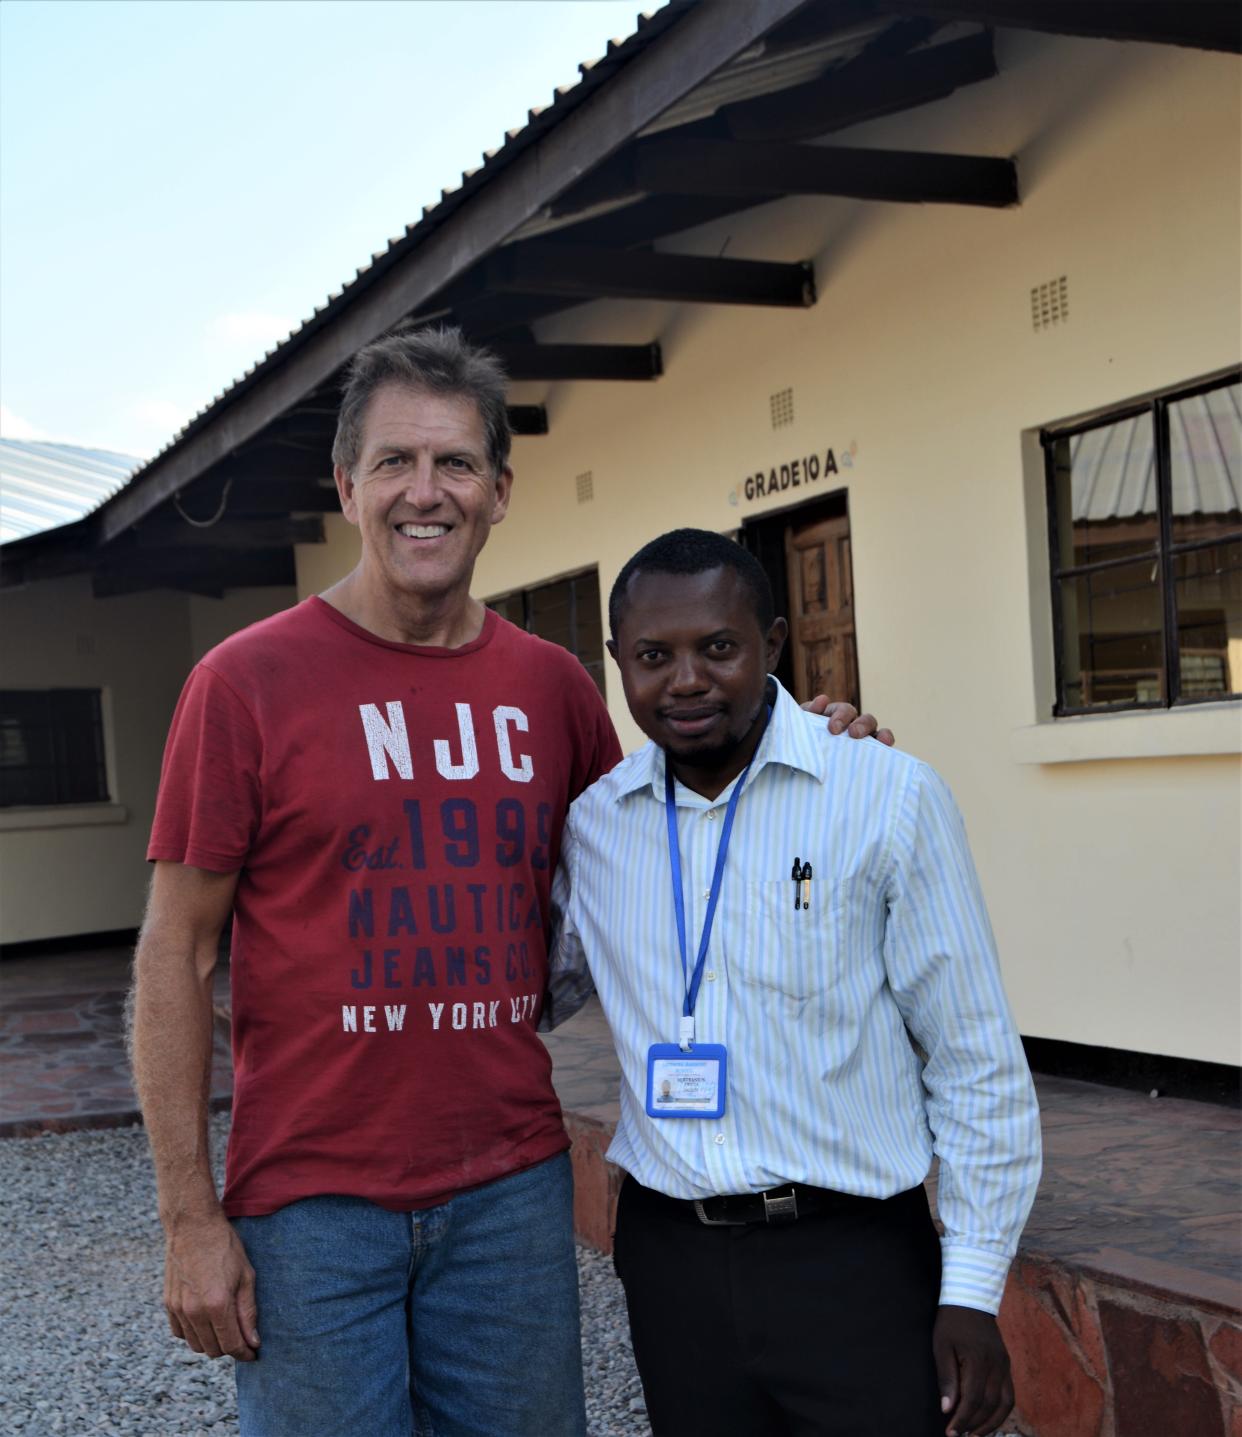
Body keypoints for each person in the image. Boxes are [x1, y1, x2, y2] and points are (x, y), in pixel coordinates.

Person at [129, 328, 886, 1437]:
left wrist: (813, 740)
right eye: (393, 462)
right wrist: (188, 1216)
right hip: (311, 1205)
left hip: (511, 1194)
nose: (423, 492)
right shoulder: (244, 684)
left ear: (499, 493)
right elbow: (176, 951)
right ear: (346, 485)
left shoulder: (552, 688)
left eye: (454, 464)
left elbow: (674, 832)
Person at [548, 528, 1043, 1437]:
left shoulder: (887, 795)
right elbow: (536, 993)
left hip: (852, 1258)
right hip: (671, 1260)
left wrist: (972, 1289)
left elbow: (975, 1060)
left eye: (719, 648)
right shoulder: (595, 829)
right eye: (654, 656)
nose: (687, 679)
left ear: (773, 644)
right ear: (616, 663)